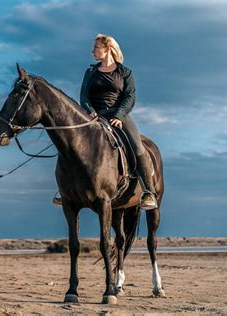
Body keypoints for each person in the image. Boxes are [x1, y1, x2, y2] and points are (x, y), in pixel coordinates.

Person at [53, 33, 157, 210]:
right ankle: (66, 191)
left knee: (138, 147)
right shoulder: (90, 71)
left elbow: (130, 97)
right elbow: (84, 96)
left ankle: (148, 191)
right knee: (72, 145)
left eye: (96, 47)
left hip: (120, 118)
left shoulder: (125, 72)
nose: (92, 50)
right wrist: (91, 113)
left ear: (107, 48)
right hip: (94, 117)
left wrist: (118, 115)